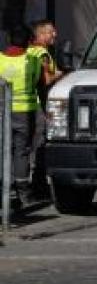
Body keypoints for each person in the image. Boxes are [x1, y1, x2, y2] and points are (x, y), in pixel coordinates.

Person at [0, 25, 42, 210]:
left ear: (9, 39)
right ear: (28, 42)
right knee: (22, 151)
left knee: (2, 151)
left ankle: (3, 192)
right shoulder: (32, 61)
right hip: (24, 113)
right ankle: (24, 194)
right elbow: (38, 83)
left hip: (2, 111)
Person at [28, 19, 63, 199]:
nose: (54, 34)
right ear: (40, 34)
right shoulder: (42, 53)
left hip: (26, 105)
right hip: (39, 105)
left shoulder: (29, 50)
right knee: (40, 145)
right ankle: (38, 185)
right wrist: (60, 74)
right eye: (50, 32)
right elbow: (46, 80)